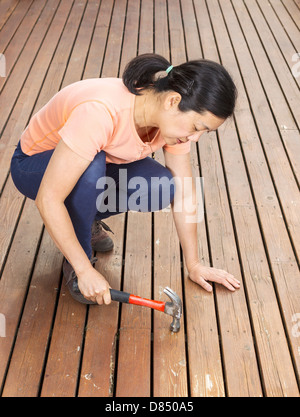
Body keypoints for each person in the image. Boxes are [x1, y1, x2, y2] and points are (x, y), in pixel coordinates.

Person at [10, 53, 240, 306]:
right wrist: (85, 270)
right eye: (197, 127)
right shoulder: (101, 111)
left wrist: (194, 265)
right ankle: (77, 262)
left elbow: (184, 192)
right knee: (91, 168)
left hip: (91, 165)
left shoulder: (170, 125)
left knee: (161, 186)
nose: (195, 138)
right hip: (33, 166)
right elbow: (48, 198)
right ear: (173, 100)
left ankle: (84, 220)